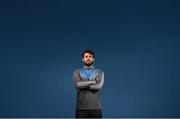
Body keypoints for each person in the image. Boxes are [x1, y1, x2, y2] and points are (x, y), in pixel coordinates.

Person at [72, 49, 104, 118]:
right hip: (81, 108)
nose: (88, 58)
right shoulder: (76, 72)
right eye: (86, 56)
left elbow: (99, 86)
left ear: (93, 59)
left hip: (96, 108)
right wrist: (93, 82)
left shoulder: (99, 72)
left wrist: (83, 84)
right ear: (83, 59)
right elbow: (77, 85)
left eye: (90, 56)